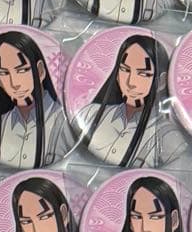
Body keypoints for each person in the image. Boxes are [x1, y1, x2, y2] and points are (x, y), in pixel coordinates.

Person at [74, 34, 184, 167]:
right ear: (117, 74)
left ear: (161, 81)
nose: (131, 82)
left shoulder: (169, 137)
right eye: (125, 70)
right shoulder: (89, 115)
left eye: (143, 74)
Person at [0, 31, 72, 168]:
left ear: (40, 71)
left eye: (22, 70)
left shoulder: (67, 124)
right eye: (4, 73)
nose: (14, 83)